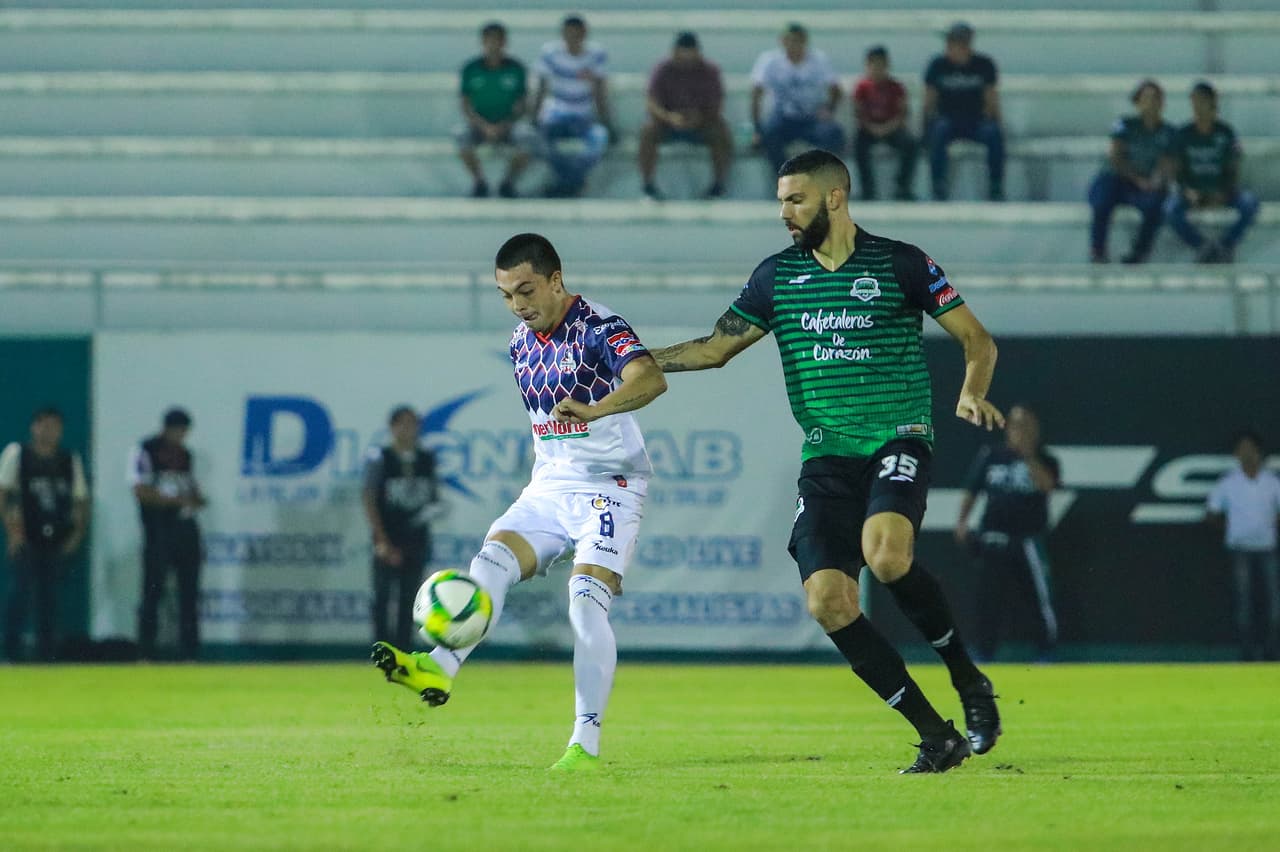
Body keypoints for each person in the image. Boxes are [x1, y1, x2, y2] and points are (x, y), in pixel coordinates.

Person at [650, 149, 1004, 774]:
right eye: (782, 201)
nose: (784, 213)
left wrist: (971, 390)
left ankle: (968, 678)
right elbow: (713, 349)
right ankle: (935, 735)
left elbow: (977, 338)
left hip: (897, 435)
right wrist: (632, 363)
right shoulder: (776, 278)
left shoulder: (901, 263)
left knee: (887, 555)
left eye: (796, 200)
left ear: (834, 198)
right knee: (827, 602)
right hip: (827, 455)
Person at [371, 233, 667, 771]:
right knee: (491, 560)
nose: (518, 304)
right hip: (550, 486)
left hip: (611, 485)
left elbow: (651, 378)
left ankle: (585, 743)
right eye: (506, 294)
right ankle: (440, 665)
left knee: (584, 603)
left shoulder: (599, 326)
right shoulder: (519, 341)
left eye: (526, 290)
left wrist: (597, 409)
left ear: (556, 280)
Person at [954, 405, 1061, 663]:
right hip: (994, 538)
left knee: (1038, 597)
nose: (1021, 432)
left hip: (1028, 539)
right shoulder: (991, 456)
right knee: (988, 599)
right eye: (1016, 426)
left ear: (1035, 431)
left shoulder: (1046, 458)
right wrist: (962, 521)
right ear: (1008, 429)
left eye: (1026, 426)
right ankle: (983, 651)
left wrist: (1028, 456)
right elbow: (972, 489)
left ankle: (1045, 649)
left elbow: (1048, 486)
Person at [0, 407, 88, 662]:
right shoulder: (18, 455)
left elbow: (80, 500)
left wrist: (76, 535)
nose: (50, 432)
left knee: (50, 599)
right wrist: (13, 532)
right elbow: (4, 494)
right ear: (34, 427)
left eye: (55, 426)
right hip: (25, 535)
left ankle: (46, 654)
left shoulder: (68, 460)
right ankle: (11, 652)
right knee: (20, 594)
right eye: (45, 425)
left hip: (57, 537)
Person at [363, 406, 442, 651]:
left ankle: (404, 649)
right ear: (393, 427)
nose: (409, 430)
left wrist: (436, 508)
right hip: (388, 536)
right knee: (383, 596)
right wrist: (381, 539)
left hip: (416, 538)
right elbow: (370, 497)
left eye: (413, 424)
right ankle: (381, 649)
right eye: (403, 424)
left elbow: (433, 495)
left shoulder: (425, 458)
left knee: (411, 598)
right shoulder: (382, 458)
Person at [130, 407, 206, 661]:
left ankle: (189, 651)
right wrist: (177, 501)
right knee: (152, 591)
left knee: (189, 593)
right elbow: (141, 490)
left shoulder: (185, 455)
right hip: (159, 528)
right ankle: (146, 651)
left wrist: (194, 499)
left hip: (185, 528)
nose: (181, 436)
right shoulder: (146, 450)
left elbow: (189, 487)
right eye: (178, 431)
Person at [1165, 82, 1261, 264]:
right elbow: (1176, 169)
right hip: (1193, 191)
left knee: (1250, 204)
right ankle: (1202, 245)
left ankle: (1227, 244)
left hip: (1221, 189)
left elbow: (1233, 166)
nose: (1197, 106)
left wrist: (1224, 191)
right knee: (1170, 210)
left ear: (1212, 102)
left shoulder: (1225, 133)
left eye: (1201, 101)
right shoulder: (1183, 134)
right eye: (1194, 102)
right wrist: (1186, 190)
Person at [1206, 431, 1280, 661]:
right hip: (1239, 548)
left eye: (1250, 449)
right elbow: (1212, 512)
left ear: (1259, 452)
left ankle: (1271, 651)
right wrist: (1233, 529)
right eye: (1242, 449)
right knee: (1243, 601)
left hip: (1267, 547)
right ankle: (1246, 652)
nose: (1246, 454)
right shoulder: (1228, 483)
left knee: (1273, 601)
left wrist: (1270, 525)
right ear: (1236, 454)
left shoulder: (1272, 482)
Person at [1087, 79, 1176, 264]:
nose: (1150, 104)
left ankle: (1140, 252)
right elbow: (1116, 157)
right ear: (1137, 102)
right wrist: (1136, 178)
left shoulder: (1169, 132)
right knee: (1102, 197)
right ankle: (1098, 250)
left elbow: (1167, 162)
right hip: (1121, 179)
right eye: (1146, 99)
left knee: (1156, 204)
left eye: (1155, 99)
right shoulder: (1124, 125)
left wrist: (1155, 180)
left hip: (1147, 182)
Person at [639, 31, 732, 201]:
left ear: (698, 53)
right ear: (674, 52)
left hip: (701, 123)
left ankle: (718, 185)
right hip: (668, 124)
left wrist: (699, 118)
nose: (686, 60)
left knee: (721, 130)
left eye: (691, 55)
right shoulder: (662, 69)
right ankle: (648, 186)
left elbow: (717, 103)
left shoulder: (710, 70)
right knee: (648, 131)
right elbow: (652, 102)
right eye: (682, 55)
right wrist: (669, 117)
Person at [533, 15, 615, 198]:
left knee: (599, 140)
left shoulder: (596, 54)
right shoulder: (549, 53)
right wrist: (534, 116)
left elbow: (600, 90)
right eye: (569, 34)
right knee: (538, 141)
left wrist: (606, 120)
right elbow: (541, 87)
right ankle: (570, 181)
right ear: (562, 34)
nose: (573, 39)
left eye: (577, 34)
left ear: (585, 34)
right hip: (556, 112)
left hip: (584, 114)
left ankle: (568, 182)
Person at [454, 21, 537, 199]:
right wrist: (484, 126)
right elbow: (465, 105)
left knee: (528, 136)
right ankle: (479, 182)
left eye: (497, 40)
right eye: (489, 41)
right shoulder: (470, 69)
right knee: (460, 135)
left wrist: (504, 125)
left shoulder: (516, 69)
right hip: (479, 126)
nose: (493, 45)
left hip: (507, 125)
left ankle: (508, 182)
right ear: (482, 42)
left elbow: (523, 104)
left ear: (504, 42)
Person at [923, 22, 1004, 201]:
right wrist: (925, 127)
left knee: (993, 133)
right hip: (948, 120)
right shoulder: (938, 65)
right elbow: (929, 100)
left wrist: (996, 120)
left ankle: (996, 185)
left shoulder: (984, 65)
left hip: (975, 120)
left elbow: (991, 98)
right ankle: (938, 186)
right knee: (938, 131)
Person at [750, 23, 844, 175]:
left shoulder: (818, 60)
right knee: (768, 134)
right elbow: (756, 93)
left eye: (798, 41)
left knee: (833, 134)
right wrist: (756, 128)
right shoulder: (770, 61)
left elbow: (836, 89)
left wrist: (829, 109)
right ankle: (784, 179)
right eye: (789, 40)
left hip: (811, 117)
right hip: (783, 118)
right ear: (782, 41)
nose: (793, 45)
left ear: (805, 41)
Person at [852, 45, 917, 201]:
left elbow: (902, 113)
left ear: (887, 65)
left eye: (881, 65)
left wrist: (887, 128)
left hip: (892, 128)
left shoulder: (897, 87)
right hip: (869, 129)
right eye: (873, 64)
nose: (877, 69)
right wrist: (873, 128)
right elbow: (858, 114)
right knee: (858, 145)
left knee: (911, 144)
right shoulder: (862, 87)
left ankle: (903, 187)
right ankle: (867, 189)